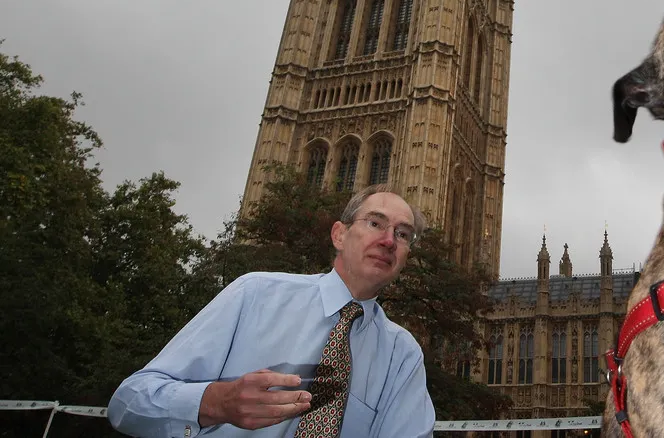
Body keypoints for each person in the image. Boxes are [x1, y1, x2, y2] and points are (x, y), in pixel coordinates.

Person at [108, 184, 435, 437]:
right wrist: (217, 402)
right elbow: (128, 405)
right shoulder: (255, 294)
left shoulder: (401, 355)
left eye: (402, 234)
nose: (389, 240)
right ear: (340, 234)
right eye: (376, 222)